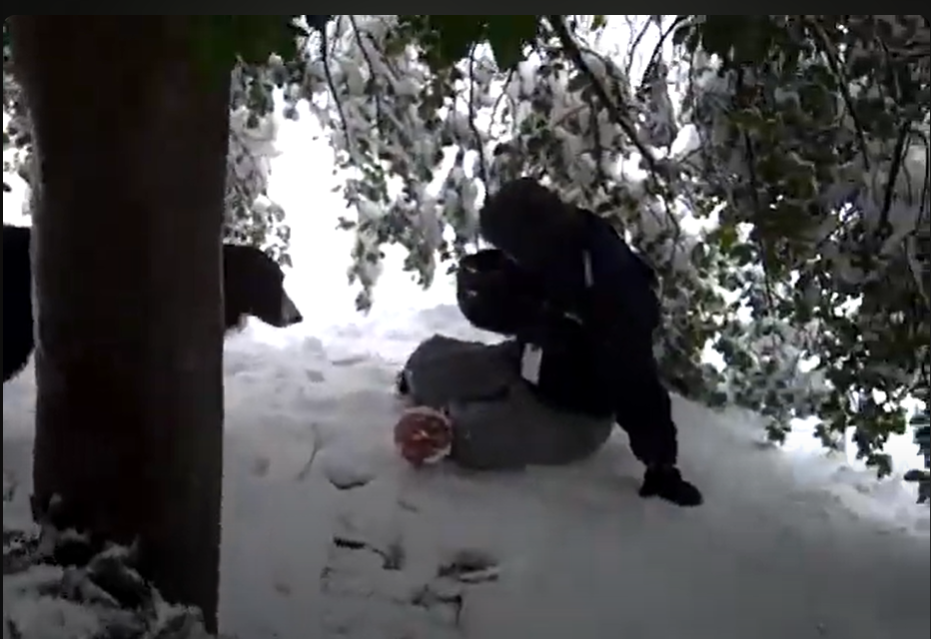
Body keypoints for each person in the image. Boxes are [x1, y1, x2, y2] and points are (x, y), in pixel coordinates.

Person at [398, 178, 702, 507]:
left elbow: (637, 382)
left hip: (573, 413)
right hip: (530, 360)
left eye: (512, 251)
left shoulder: (611, 286)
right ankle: (442, 393)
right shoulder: (550, 242)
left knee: (471, 438)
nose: (510, 257)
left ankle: (460, 428)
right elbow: (522, 307)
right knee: (426, 369)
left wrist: (661, 464)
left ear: (531, 241)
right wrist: (486, 292)